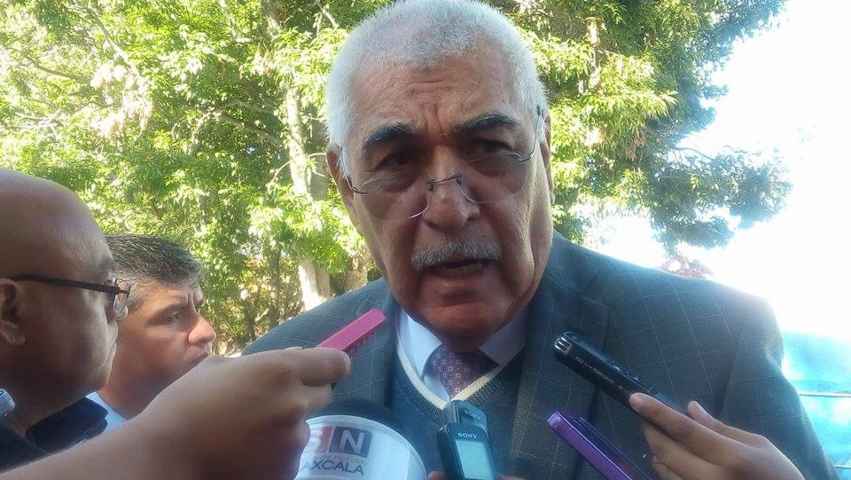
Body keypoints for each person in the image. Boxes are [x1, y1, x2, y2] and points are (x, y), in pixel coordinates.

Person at [245, 1, 837, 479]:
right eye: (397, 161)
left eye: (490, 149)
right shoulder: (276, 376)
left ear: (544, 152)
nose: (449, 209)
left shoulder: (711, 344)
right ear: (345, 186)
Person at [0, 169, 349, 478]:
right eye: (107, 288)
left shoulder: (52, 435)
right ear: (9, 313)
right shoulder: (160, 445)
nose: (117, 311)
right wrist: (178, 448)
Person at [87, 234, 215, 431]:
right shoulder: (63, 441)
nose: (206, 332)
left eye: (198, 308)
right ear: (105, 330)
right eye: (173, 316)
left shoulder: (220, 418)